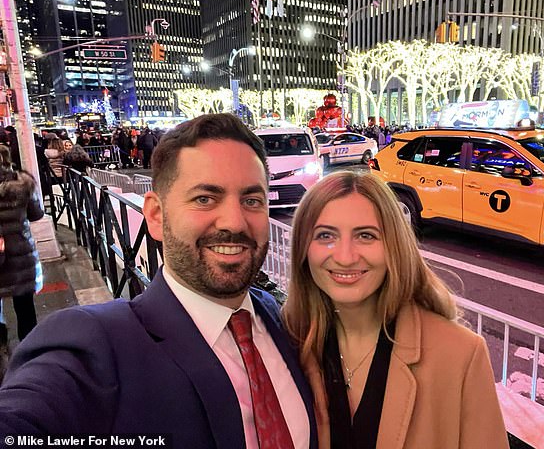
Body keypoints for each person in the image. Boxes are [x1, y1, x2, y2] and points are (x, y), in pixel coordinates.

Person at [0, 114, 317, 448]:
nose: (235, 222)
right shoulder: (95, 345)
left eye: (252, 200)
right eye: (205, 199)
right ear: (155, 214)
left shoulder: (275, 316)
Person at [283, 171, 509, 449]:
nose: (344, 257)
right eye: (325, 235)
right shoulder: (290, 341)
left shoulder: (460, 354)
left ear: (394, 246)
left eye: (365, 235)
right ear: (303, 250)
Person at [0, 145, 44, 346]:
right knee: (25, 309)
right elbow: (37, 214)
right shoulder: (22, 184)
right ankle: (30, 355)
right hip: (20, 255)